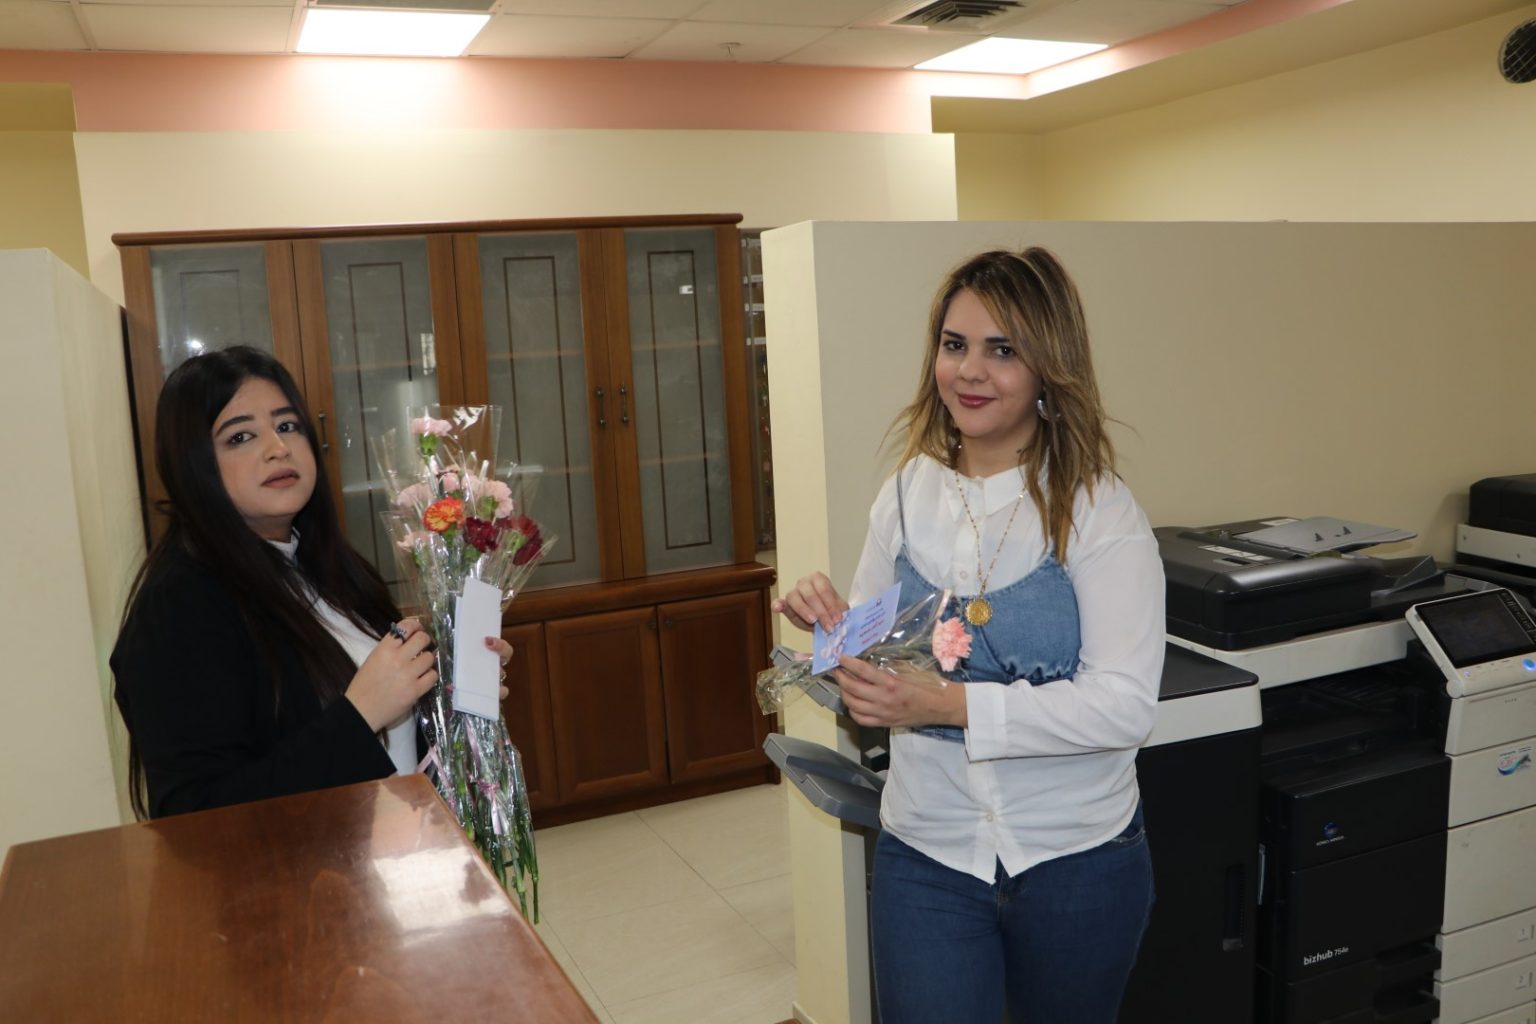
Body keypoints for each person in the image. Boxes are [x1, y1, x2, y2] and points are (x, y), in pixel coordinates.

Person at [773, 248, 1165, 1023]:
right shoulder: (905, 496)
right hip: (929, 854)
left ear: (1049, 366)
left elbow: (1124, 706)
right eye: (955, 345)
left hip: (1077, 860)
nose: (970, 371)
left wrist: (950, 706)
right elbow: (874, 666)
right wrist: (831, 636)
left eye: (1003, 349)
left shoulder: (1098, 509)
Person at [112, 346, 513, 819]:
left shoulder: (330, 568)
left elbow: (394, 729)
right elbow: (195, 814)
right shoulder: (178, 606)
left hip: (404, 849)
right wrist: (361, 713)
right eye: (240, 436)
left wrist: (449, 685)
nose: (277, 448)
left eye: (287, 426)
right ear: (193, 465)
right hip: (314, 866)